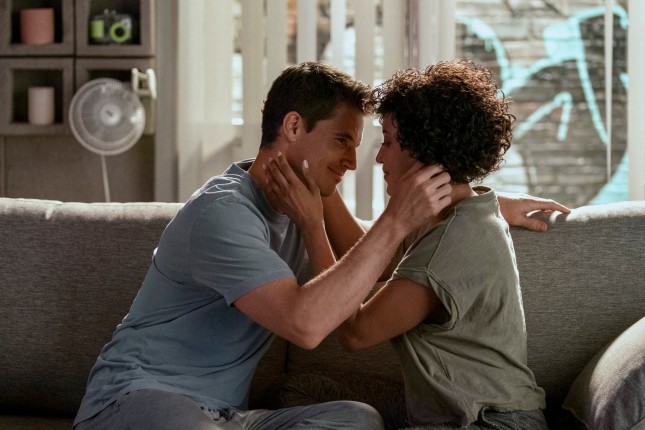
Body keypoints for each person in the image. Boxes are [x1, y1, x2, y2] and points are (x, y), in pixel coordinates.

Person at [75, 61, 564, 430]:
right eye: (343, 140)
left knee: (357, 419)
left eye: (372, 142)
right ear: (293, 128)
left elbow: (376, 260)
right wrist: (407, 214)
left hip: (228, 416)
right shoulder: (222, 213)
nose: (356, 161)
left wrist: (473, 200)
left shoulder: (310, 199)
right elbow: (309, 323)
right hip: (141, 397)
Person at [264, 60, 563, 429]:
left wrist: (311, 224)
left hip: (490, 423)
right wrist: (319, 186)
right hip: (460, 411)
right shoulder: (460, 211)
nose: (378, 158)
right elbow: (374, 257)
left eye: (388, 142)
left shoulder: (452, 243)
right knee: (298, 391)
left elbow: (355, 331)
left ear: (423, 150)